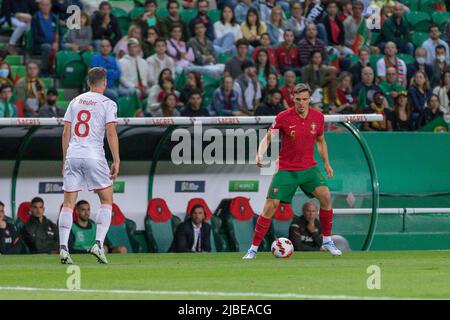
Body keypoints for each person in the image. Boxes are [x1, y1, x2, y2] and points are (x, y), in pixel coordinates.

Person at [243, 83, 341, 259]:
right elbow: (269, 137)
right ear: (292, 99)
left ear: (310, 99)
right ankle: (253, 249)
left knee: (325, 195)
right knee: (270, 206)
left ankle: (326, 241)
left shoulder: (318, 117)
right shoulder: (283, 117)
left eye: (304, 99)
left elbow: (320, 141)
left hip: (309, 168)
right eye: (298, 100)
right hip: (286, 169)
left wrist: (327, 163)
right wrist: (259, 154)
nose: (301, 103)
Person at [58, 67, 120, 265]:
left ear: (88, 82)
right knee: (107, 200)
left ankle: (63, 249)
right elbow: (111, 133)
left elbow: (65, 132)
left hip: (73, 154)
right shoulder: (108, 103)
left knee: (68, 203)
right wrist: (117, 159)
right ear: (104, 82)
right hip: (94, 155)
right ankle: (98, 244)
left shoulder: (75, 101)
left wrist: (65, 158)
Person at [30, 0, 63, 76]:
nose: (45, 7)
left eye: (47, 5)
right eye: (43, 5)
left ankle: (59, 70)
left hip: (55, 43)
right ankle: (44, 70)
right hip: (40, 45)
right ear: (40, 6)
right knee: (47, 47)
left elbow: (61, 33)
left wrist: (57, 43)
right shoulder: (35, 18)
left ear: (50, 6)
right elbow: (35, 37)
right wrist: (51, 44)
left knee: (66, 46)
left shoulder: (54, 17)